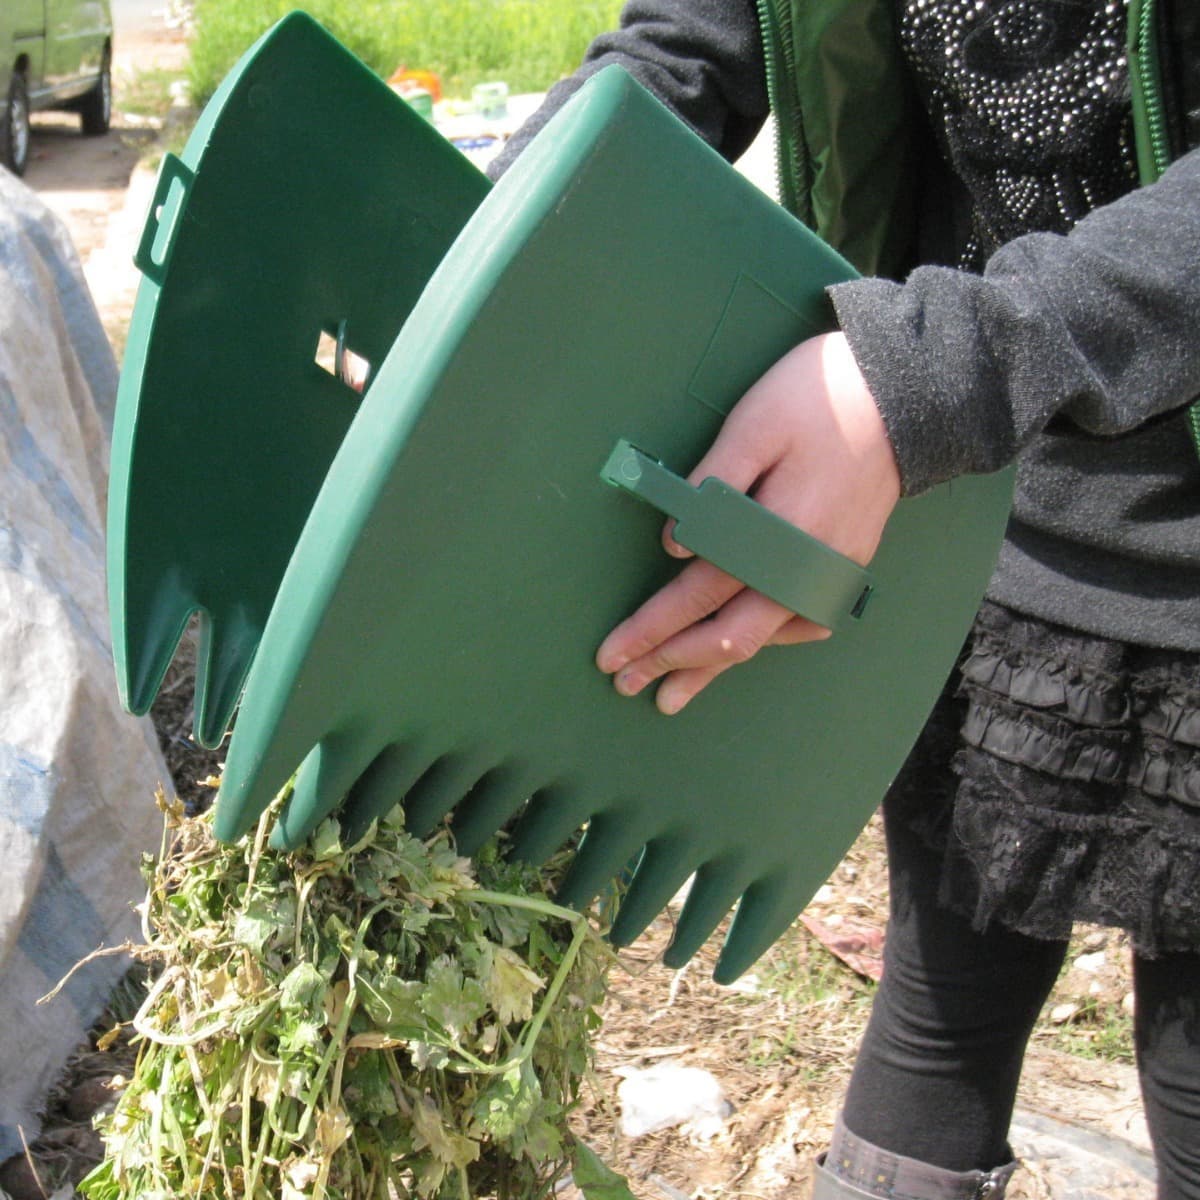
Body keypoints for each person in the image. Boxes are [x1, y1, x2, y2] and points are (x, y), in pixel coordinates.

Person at [487, 1, 1200, 1197]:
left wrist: (926, 373)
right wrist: (481, 265)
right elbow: (680, 57)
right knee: (939, 1003)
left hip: (1009, 433)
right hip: (976, 499)